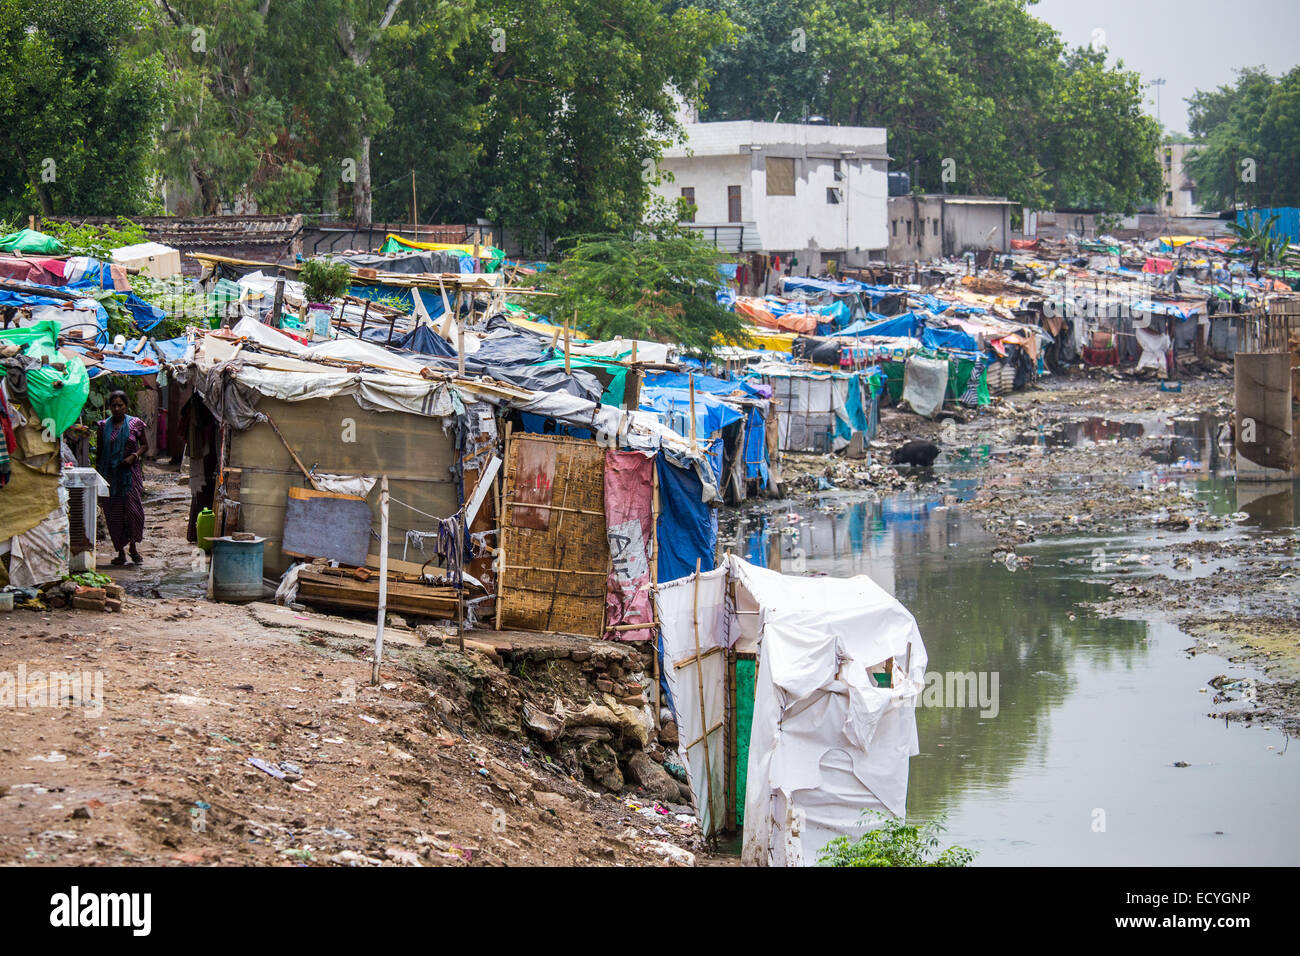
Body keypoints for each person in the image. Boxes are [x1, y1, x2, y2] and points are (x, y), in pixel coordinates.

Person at [96, 390, 148, 565]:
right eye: (114, 405)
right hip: (110, 474)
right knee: (113, 514)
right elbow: (101, 452)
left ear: (126, 406)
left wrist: (134, 456)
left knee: (134, 511)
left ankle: (133, 547)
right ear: (109, 407)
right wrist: (98, 477)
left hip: (130, 474)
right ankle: (120, 552)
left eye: (120, 405)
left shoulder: (135, 423)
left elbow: (145, 446)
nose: (117, 408)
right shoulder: (103, 426)